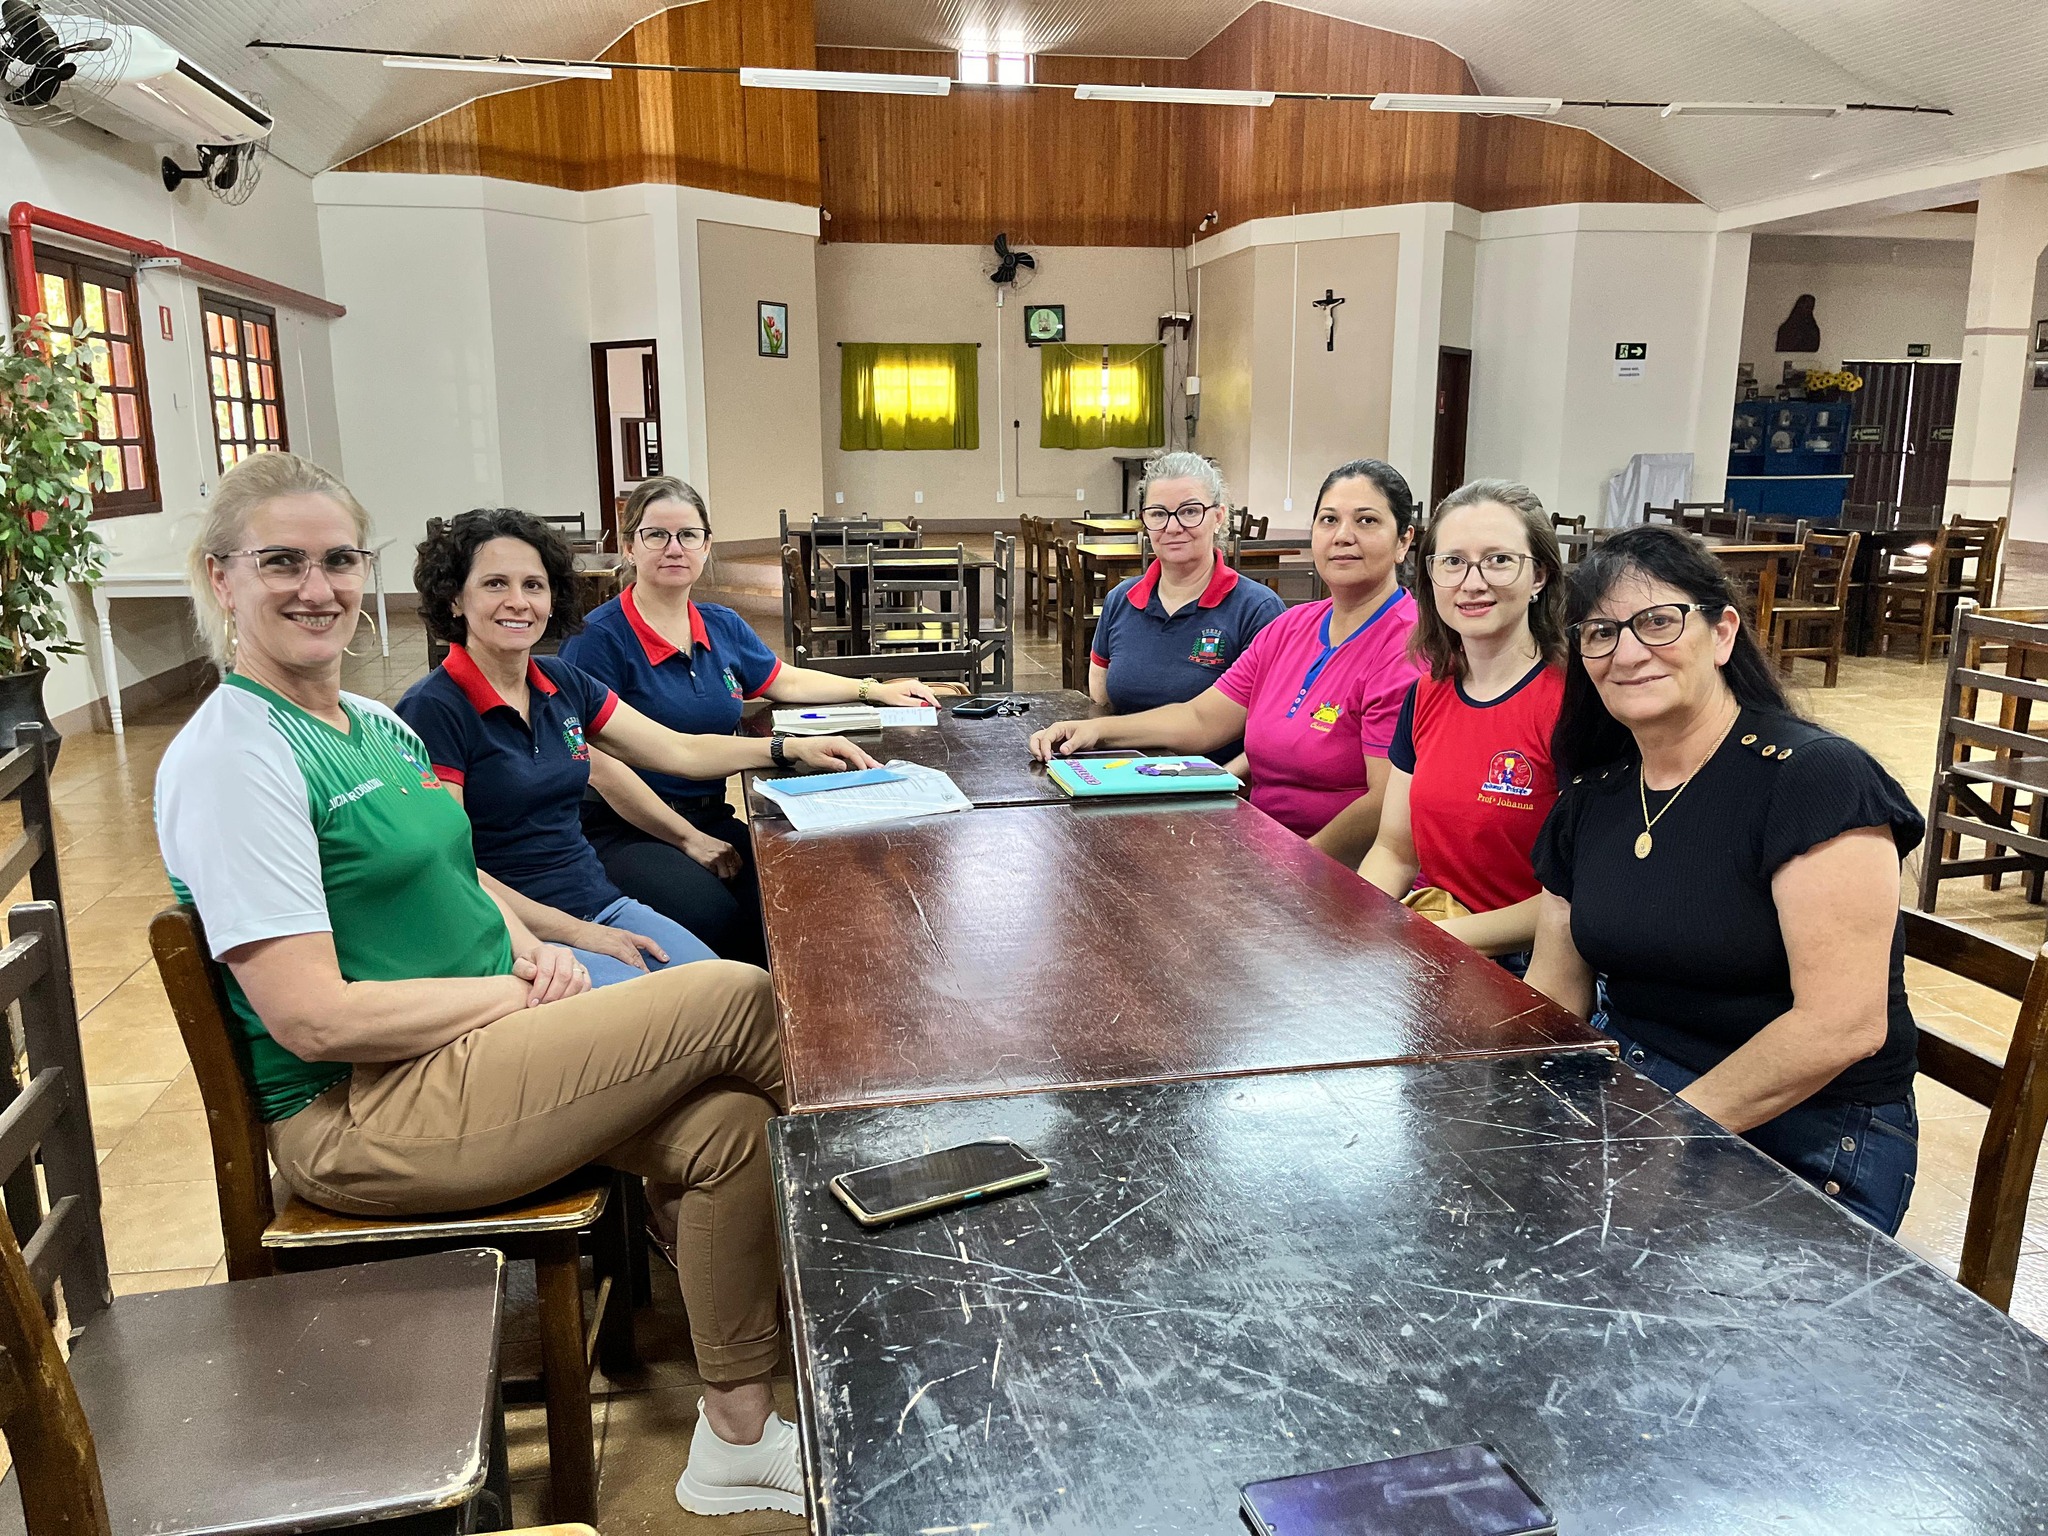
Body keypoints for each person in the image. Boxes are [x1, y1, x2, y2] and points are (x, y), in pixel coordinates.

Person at [154, 452, 807, 1516]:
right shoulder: (236, 756)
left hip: (474, 1056)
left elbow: (463, 875)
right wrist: (508, 994)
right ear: (220, 577)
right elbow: (311, 1018)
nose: (315, 587)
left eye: (334, 560)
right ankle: (903, 1235)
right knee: (736, 996)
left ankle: (735, 1437)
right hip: (365, 1114)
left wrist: (526, 946)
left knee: (730, 1126)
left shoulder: (374, 726)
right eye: (281, 562)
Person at [1524, 524, 1922, 1234]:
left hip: (1805, 1127)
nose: (1629, 652)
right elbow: (1556, 989)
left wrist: (1664, 1129)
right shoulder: (1596, 794)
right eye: (1602, 633)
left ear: (1722, 632)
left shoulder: (1814, 781)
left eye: (1658, 621)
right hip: (1640, 1093)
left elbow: (1843, 1026)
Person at [396, 508, 875, 987]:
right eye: (495, 584)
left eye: (534, 585)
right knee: (711, 1009)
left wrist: (786, 748)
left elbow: (677, 750)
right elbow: (448, 868)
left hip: (599, 902)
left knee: (749, 991)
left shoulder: (560, 683)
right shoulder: (434, 709)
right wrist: (578, 933)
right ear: (455, 598)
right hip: (516, 932)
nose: (518, 602)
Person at [562, 478, 944, 965]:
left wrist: (873, 689)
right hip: (628, 829)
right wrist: (687, 838)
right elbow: (595, 766)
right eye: (656, 535)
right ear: (630, 546)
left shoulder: (720, 623)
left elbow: (784, 680)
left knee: (806, 886)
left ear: (707, 546)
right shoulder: (598, 640)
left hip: (710, 812)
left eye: (688, 535)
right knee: (725, 923)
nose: (674, 548)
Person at [1030, 458, 1423, 864]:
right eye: (1328, 520)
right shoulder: (1291, 627)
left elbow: (1386, 804)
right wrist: (1095, 730)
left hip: (1330, 871)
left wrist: (1293, 868)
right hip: (1251, 842)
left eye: (1367, 521)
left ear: (1403, 541)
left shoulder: (1408, 646)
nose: (1343, 536)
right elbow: (1201, 720)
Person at [1360, 480, 1566, 972]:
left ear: (1539, 575)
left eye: (1498, 560)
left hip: (1534, 961)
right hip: (1432, 936)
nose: (1472, 583)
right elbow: (1394, 851)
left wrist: (1424, 939)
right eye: (1452, 562)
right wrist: (1358, 928)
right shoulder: (1427, 692)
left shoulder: (1576, 702)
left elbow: (1581, 897)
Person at [1087, 451, 1283, 726]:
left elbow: (1268, 725)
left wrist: (1224, 772)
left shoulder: (1257, 610)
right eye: (1158, 514)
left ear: (1219, 517)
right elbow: (1101, 698)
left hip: (1218, 768)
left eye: (1190, 511)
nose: (1173, 526)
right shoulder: (1121, 600)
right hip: (1125, 765)